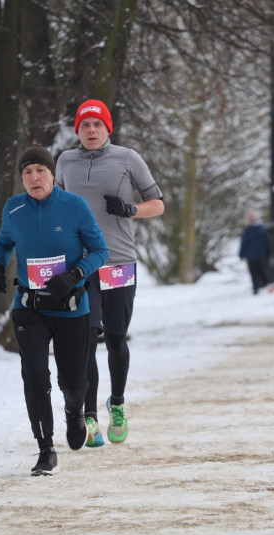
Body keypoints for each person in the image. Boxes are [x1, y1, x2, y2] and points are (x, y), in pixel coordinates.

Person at [0, 145, 109, 475]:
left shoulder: (74, 206)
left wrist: (75, 274)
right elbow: (3, 242)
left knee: (73, 381)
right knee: (35, 376)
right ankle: (45, 448)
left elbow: (100, 249)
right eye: (27, 172)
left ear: (52, 174)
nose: (34, 177)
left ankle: (74, 413)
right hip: (30, 306)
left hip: (71, 307)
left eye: (40, 170)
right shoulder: (13, 209)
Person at [55, 99, 164, 447]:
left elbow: (158, 203)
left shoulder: (128, 158)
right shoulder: (65, 162)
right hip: (80, 266)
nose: (90, 131)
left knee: (116, 338)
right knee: (86, 340)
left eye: (97, 125)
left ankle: (116, 403)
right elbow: (54, 204)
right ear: (77, 130)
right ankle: (89, 417)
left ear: (107, 129)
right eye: (85, 125)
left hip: (118, 263)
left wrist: (131, 209)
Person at [238, 210, 273, 294]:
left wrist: (241, 254)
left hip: (251, 256)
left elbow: (244, 244)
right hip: (262, 255)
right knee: (263, 272)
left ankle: (256, 289)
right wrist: (269, 253)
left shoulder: (248, 231)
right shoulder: (263, 229)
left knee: (254, 274)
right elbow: (268, 243)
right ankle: (268, 286)